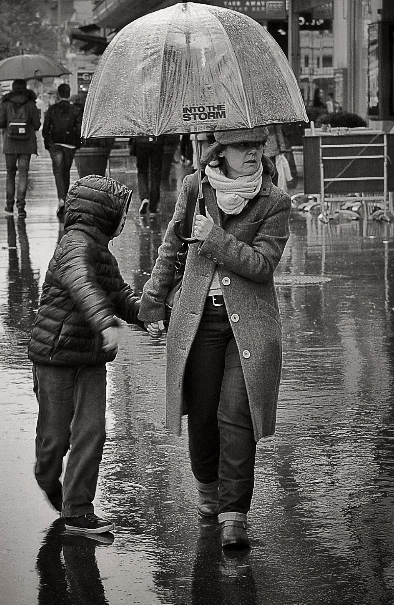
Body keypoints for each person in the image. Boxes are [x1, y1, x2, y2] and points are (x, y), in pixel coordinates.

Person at [138, 126, 290, 549]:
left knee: (235, 413)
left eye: (258, 146)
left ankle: (234, 514)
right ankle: (207, 491)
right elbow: (171, 248)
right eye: (244, 146)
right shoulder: (194, 188)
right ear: (220, 152)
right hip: (198, 319)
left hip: (251, 325)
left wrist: (216, 239)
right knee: (202, 411)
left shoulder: (274, 201)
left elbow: (263, 265)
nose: (254, 154)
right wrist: (151, 303)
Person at [28, 174, 141, 535]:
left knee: (92, 431)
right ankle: (47, 477)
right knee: (55, 439)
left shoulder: (102, 253)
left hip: (90, 360)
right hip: (55, 357)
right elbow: (82, 284)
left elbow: (119, 294)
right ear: (102, 213)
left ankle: (77, 509)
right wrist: (106, 322)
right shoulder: (74, 246)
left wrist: (152, 315)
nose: (125, 219)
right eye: (122, 212)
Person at [0, 79, 41, 217]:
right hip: (26, 144)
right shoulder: (31, 104)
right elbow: (37, 125)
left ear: (13, 88)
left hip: (10, 144)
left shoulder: (6, 104)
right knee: (23, 174)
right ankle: (21, 207)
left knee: (10, 174)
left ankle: (9, 206)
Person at [42, 83, 83, 217]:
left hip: (56, 144)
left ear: (58, 94)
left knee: (58, 172)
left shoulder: (52, 109)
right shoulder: (75, 110)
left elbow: (45, 129)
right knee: (66, 171)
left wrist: (48, 143)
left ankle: (61, 198)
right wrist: (77, 144)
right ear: (68, 93)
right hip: (69, 145)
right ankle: (64, 198)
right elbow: (78, 129)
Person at [129, 135, 166, 214]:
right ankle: (153, 206)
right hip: (157, 141)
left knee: (142, 171)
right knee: (156, 172)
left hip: (141, 140)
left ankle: (144, 197)